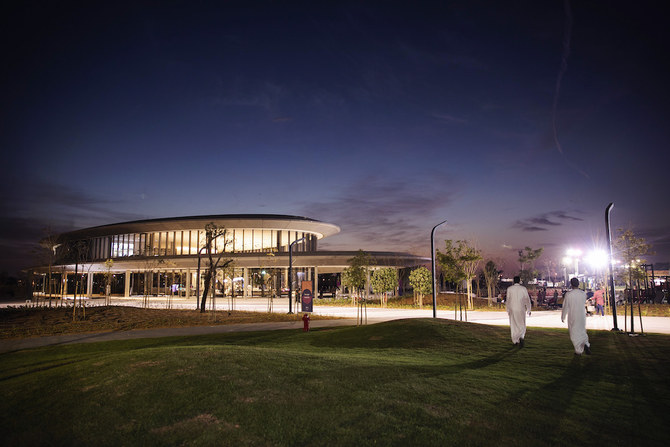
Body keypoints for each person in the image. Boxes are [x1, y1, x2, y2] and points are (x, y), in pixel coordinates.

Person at [562, 278, 591, 355]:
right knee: (582, 331)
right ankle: (586, 344)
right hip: (581, 315)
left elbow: (565, 306)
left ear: (571, 284)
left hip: (573, 315)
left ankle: (578, 350)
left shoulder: (569, 294)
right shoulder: (583, 293)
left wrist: (563, 316)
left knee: (574, 333)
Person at [506, 276, 532, 347]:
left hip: (512, 309)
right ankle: (521, 336)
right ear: (519, 281)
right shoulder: (523, 289)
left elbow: (508, 300)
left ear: (513, 281)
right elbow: (527, 299)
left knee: (513, 325)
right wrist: (529, 309)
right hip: (521, 309)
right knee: (522, 323)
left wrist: (508, 309)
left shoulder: (509, 289)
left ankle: (515, 340)